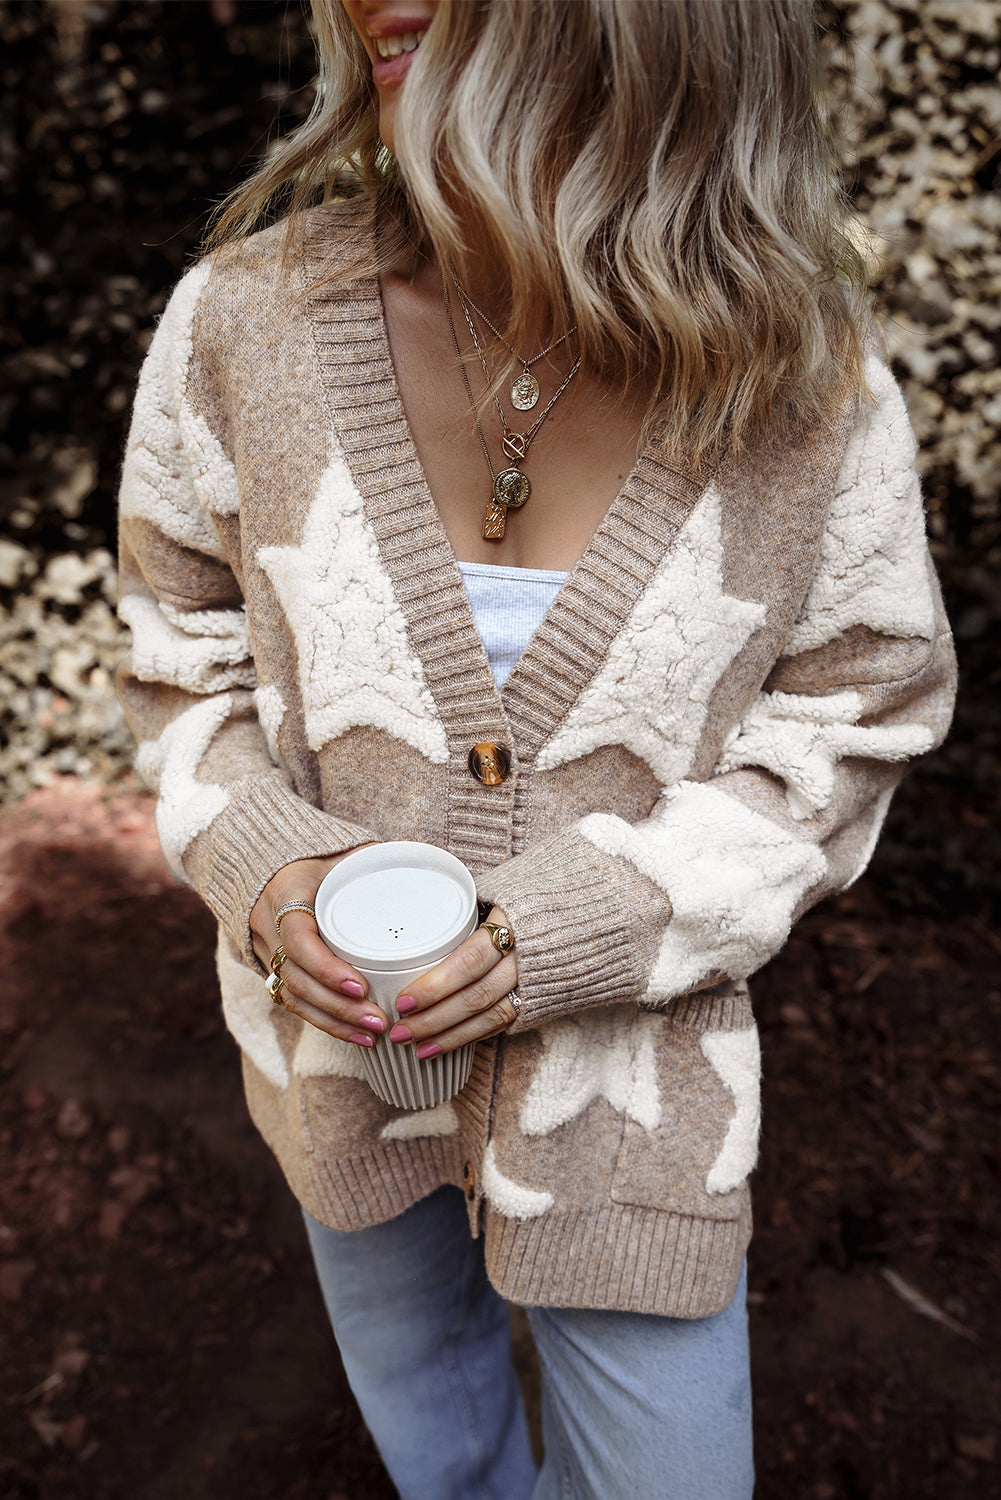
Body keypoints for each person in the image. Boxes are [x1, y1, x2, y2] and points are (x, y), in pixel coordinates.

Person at [116, 2, 956, 1495]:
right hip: (334, 1058)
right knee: (435, 1443)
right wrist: (269, 864)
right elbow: (181, 655)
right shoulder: (243, 324)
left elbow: (855, 716)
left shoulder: (802, 382)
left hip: (635, 1103)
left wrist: (587, 922)